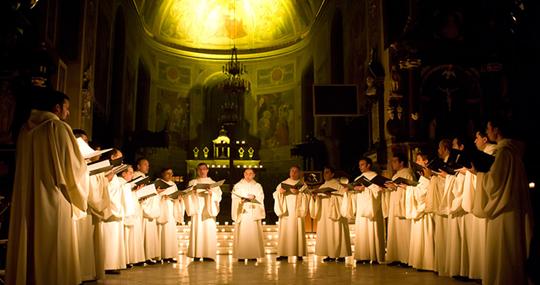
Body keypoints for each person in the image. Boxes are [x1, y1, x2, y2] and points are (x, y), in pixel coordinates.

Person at [7, 89, 89, 285]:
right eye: (67, 108)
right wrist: (85, 165)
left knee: (28, 245)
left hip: (26, 197)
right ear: (57, 107)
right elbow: (74, 170)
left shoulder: (24, 130)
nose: (68, 113)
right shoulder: (58, 128)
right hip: (54, 200)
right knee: (54, 251)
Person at [471, 118, 533, 285]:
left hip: (502, 211)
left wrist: (480, 172)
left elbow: (494, 185)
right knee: (511, 248)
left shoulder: (503, 153)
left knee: (502, 251)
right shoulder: (513, 151)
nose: (487, 130)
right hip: (512, 207)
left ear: (496, 130)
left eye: (488, 127)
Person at [342, 157, 385, 264]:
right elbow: (355, 194)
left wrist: (365, 189)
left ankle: (374, 256)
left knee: (372, 230)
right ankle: (363, 256)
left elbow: (378, 191)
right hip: (361, 208)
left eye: (362, 164)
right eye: (359, 165)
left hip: (372, 209)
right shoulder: (358, 178)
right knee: (362, 232)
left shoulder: (375, 177)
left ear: (368, 165)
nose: (360, 167)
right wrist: (350, 191)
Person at [308, 166, 351, 262]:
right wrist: (315, 197)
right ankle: (329, 254)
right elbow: (318, 200)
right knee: (327, 234)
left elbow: (344, 198)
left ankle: (340, 255)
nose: (324, 174)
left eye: (327, 172)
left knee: (337, 232)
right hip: (324, 215)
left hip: (336, 214)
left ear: (332, 174)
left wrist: (332, 196)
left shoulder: (338, 185)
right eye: (324, 172)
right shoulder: (322, 186)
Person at [185, 162, 222, 261]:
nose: (202, 171)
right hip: (197, 209)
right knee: (198, 230)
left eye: (204, 169)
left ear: (207, 170)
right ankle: (197, 254)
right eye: (200, 169)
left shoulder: (213, 183)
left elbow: (218, 196)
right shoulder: (192, 182)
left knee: (208, 230)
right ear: (197, 170)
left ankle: (208, 254)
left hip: (208, 208)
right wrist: (191, 193)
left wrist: (211, 194)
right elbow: (186, 195)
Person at [404, 152, 435, 271]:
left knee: (426, 236)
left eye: (418, 159)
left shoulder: (429, 175)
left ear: (426, 161)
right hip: (420, 211)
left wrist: (408, 189)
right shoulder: (422, 176)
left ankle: (428, 263)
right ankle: (420, 262)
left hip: (426, 212)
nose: (417, 162)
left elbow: (423, 194)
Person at [273, 165, 309, 261]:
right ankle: (283, 253)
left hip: (297, 212)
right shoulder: (283, 183)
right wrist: (279, 193)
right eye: (292, 171)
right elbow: (275, 194)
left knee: (298, 230)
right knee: (285, 231)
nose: (293, 173)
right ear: (289, 172)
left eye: (296, 171)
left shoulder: (303, 184)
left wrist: (299, 193)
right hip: (286, 211)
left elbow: (308, 196)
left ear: (299, 173)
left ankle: (299, 253)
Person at [384, 153, 414, 265]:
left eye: (395, 161)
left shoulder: (407, 173)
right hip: (394, 205)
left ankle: (405, 258)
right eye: (392, 161)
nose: (392, 164)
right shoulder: (396, 175)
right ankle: (396, 256)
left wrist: (396, 187)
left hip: (402, 205)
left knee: (404, 232)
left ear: (402, 162)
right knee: (395, 232)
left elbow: (410, 188)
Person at [231, 168, 265, 262]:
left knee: (253, 233)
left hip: (253, 212)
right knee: (242, 233)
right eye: (246, 173)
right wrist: (240, 200)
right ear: (244, 174)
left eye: (250, 173)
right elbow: (234, 196)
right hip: (243, 212)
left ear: (254, 175)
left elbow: (261, 197)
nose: (248, 175)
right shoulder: (238, 185)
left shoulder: (257, 186)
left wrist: (254, 197)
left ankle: (253, 254)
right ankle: (241, 255)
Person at [157, 167, 181, 263]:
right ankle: (160, 255)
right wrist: (162, 197)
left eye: (171, 173)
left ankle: (169, 255)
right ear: (162, 174)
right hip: (161, 210)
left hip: (170, 210)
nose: (170, 175)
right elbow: (154, 195)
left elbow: (176, 196)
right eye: (167, 173)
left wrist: (178, 198)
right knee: (161, 233)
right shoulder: (158, 183)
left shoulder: (173, 184)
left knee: (170, 233)